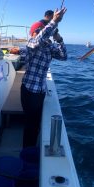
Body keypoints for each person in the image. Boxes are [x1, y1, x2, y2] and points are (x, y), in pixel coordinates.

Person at [21, 8, 67, 148]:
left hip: (40, 91)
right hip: (29, 91)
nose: (42, 33)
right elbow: (39, 39)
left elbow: (64, 56)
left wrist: (59, 39)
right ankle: (26, 152)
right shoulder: (31, 43)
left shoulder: (48, 47)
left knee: (35, 124)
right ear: (34, 32)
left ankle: (31, 149)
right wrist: (54, 21)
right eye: (39, 31)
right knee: (31, 125)